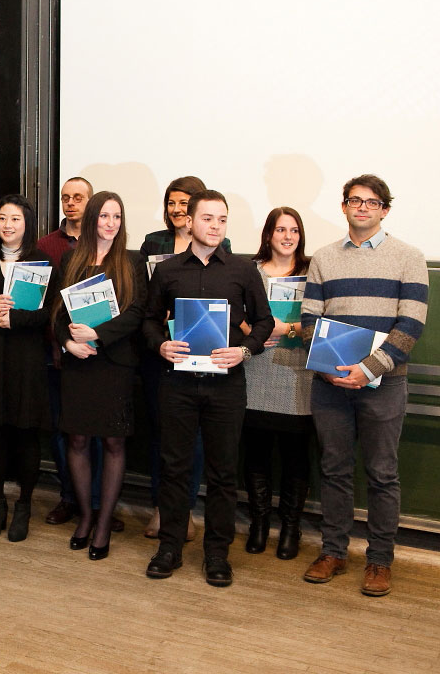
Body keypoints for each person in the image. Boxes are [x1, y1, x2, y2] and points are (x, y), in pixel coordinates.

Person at [300, 175, 428, 598]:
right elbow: (309, 320)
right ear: (344, 207)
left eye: (372, 202)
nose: (362, 208)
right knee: (334, 470)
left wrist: (369, 369)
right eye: (355, 200)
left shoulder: (409, 257)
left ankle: (379, 561)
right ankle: (333, 552)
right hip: (330, 383)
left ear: (384, 210)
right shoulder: (323, 257)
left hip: (385, 384)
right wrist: (327, 369)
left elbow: (410, 325)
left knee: (382, 474)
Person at [142, 190, 272, 586]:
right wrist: (160, 345)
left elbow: (264, 322)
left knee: (222, 473)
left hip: (225, 386)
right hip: (177, 384)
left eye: (222, 219)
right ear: (189, 221)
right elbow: (149, 320)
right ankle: (169, 547)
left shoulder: (243, 270)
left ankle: (217, 553)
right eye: (207, 218)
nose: (215, 226)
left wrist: (244, 350)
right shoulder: (167, 270)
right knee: (174, 468)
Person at [52, 191, 146, 560]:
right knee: (76, 440)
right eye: (104, 216)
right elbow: (57, 312)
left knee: (113, 443)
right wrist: (66, 343)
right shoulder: (72, 258)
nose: (110, 223)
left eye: (117, 217)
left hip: (115, 364)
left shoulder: (131, 261)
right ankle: (86, 516)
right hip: (78, 363)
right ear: (92, 219)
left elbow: (137, 312)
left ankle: (104, 523)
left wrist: (98, 334)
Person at [137, 175, 226, 540]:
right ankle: (162, 508)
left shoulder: (221, 245)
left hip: (201, 355)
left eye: (184, 203)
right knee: (162, 437)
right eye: (171, 202)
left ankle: (185, 510)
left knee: (196, 440)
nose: (176, 209)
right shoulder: (152, 243)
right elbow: (145, 298)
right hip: (161, 353)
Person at [0, 195, 54, 542]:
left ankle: (24, 506)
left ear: (27, 224)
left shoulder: (41, 261)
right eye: (3, 218)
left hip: (27, 358)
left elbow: (49, 312)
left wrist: (16, 319)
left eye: (15, 219)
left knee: (25, 434)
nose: (8, 225)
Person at [35, 177, 108, 529]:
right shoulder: (46, 245)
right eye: (66, 197)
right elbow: (47, 303)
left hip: (98, 356)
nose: (71, 202)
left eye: (79, 197)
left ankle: (96, 504)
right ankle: (69, 498)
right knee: (63, 431)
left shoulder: (107, 244)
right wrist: (60, 343)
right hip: (56, 353)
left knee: (97, 432)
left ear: (91, 203)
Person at [242, 207, 313, 560]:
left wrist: (287, 329)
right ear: (268, 234)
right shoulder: (249, 271)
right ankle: (258, 524)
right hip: (255, 370)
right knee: (255, 454)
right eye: (281, 230)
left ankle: (290, 527)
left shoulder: (312, 273)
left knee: (295, 457)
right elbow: (236, 312)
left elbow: (321, 319)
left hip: (298, 374)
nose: (287, 237)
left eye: (294, 230)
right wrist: (251, 330)